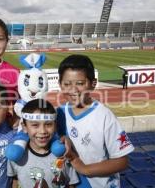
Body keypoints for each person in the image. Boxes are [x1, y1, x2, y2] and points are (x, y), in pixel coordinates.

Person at [56, 55, 134, 188]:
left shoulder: (104, 116)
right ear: (60, 84)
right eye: (67, 84)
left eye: (80, 83)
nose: (73, 90)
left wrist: (85, 169)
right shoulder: (59, 113)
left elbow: (122, 161)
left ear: (93, 84)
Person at [7, 99, 79, 188]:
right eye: (35, 125)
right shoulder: (16, 157)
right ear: (24, 127)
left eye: (48, 124)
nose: (42, 131)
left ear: (55, 126)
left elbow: (71, 183)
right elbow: (14, 181)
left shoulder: (64, 154)